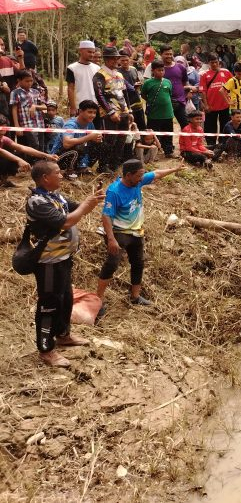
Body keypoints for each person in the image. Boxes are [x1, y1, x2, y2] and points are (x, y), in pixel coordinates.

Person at [25, 160, 104, 367]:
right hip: (48, 262)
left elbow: (76, 208)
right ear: (45, 178)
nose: (61, 175)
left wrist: (93, 200)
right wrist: (86, 206)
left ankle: (63, 335)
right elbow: (66, 221)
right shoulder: (37, 202)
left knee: (66, 299)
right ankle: (46, 349)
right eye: (58, 173)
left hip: (63, 258)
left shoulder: (56, 196)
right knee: (49, 305)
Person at [96, 159, 185, 311]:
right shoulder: (114, 191)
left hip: (136, 232)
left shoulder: (137, 181)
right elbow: (106, 216)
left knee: (138, 263)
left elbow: (156, 173)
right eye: (139, 176)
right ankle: (98, 300)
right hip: (119, 233)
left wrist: (175, 169)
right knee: (112, 264)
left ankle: (135, 297)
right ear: (128, 175)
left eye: (143, 175)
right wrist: (110, 238)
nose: (142, 179)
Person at [92, 45, 131, 172]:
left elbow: (125, 93)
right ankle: (103, 166)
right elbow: (99, 95)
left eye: (117, 58)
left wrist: (129, 110)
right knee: (109, 141)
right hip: (110, 114)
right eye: (114, 59)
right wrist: (110, 112)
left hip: (123, 112)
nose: (116, 61)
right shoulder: (99, 75)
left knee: (121, 140)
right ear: (107, 60)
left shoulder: (119, 74)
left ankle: (114, 165)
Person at [0, 119, 58, 187]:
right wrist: (19, 160)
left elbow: (23, 148)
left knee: (14, 157)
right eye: (0, 133)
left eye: (3, 133)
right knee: (6, 159)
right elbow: (1, 151)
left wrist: (46, 155)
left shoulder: (4, 138)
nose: (2, 136)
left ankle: (3, 179)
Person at [50, 100, 102, 175]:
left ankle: (82, 167)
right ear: (80, 111)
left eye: (94, 113)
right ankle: (67, 171)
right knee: (80, 146)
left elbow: (91, 141)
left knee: (100, 145)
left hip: (74, 153)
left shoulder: (90, 123)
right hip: (57, 157)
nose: (93, 115)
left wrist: (97, 139)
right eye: (90, 112)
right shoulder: (71, 124)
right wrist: (89, 137)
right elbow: (66, 143)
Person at [141, 60, 176, 157]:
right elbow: (143, 95)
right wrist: (151, 101)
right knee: (153, 134)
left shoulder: (167, 82)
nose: (161, 72)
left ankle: (168, 151)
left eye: (162, 70)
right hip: (154, 114)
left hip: (167, 114)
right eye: (158, 70)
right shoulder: (148, 83)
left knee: (168, 134)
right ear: (153, 71)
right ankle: (153, 153)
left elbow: (170, 94)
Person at [200, 53, 233, 150]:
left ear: (219, 62)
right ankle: (211, 145)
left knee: (225, 125)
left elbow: (233, 85)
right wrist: (205, 105)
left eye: (216, 62)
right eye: (212, 62)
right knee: (210, 126)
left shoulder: (226, 72)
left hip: (225, 105)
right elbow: (203, 91)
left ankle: (223, 144)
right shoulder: (204, 74)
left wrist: (230, 99)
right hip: (211, 106)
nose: (214, 64)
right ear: (208, 63)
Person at [11, 69, 46, 151]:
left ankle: (40, 163)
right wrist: (17, 126)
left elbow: (45, 106)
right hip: (27, 124)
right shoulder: (15, 93)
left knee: (41, 146)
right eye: (27, 81)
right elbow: (14, 109)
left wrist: (35, 106)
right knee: (34, 146)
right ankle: (33, 163)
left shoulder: (36, 92)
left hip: (40, 123)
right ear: (19, 80)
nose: (30, 83)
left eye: (31, 81)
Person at [66, 40, 100, 115]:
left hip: (95, 107)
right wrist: (73, 107)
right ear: (80, 51)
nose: (92, 54)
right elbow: (70, 88)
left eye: (93, 52)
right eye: (89, 52)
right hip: (80, 107)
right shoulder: (72, 68)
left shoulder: (97, 68)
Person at [118, 49, 146, 131]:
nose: (125, 62)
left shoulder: (133, 69)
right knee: (129, 127)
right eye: (122, 60)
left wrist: (139, 84)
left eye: (126, 60)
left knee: (142, 125)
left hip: (137, 101)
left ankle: (141, 143)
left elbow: (138, 80)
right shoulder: (117, 72)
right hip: (126, 103)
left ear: (130, 59)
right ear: (119, 61)